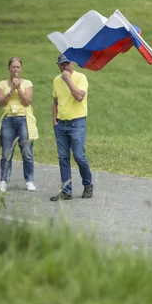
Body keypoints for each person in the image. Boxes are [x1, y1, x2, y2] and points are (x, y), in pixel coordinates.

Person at [50, 54, 93, 201]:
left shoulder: (81, 78)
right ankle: (66, 191)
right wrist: (54, 121)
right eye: (62, 65)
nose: (65, 67)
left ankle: (88, 185)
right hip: (61, 124)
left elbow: (79, 96)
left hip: (77, 123)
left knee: (79, 156)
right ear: (58, 65)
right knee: (63, 158)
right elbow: (55, 101)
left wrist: (68, 80)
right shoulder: (56, 80)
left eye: (67, 64)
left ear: (72, 64)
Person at [0, 56, 38, 192]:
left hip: (23, 119)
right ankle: (3, 181)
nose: (15, 69)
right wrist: (11, 91)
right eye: (13, 67)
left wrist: (19, 88)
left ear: (21, 69)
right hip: (8, 119)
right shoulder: (2, 84)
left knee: (27, 152)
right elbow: (0, 102)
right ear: (9, 69)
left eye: (18, 67)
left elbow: (27, 102)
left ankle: (29, 180)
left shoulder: (27, 83)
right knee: (6, 153)